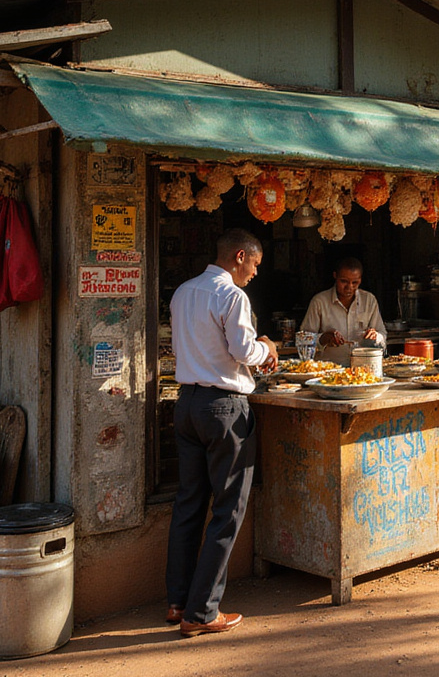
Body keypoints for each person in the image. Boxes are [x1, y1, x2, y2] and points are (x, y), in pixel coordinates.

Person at [166, 229, 278, 637]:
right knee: (227, 510)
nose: (253, 274)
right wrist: (268, 347)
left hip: (188, 404)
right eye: (254, 265)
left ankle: (178, 602)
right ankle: (203, 612)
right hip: (224, 410)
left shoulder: (183, 292)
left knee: (189, 503)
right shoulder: (232, 296)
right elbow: (244, 352)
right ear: (240, 255)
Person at [300, 257, 388, 366]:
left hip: (363, 370)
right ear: (335, 276)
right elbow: (304, 340)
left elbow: (383, 335)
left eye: (355, 282)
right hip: (328, 371)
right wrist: (323, 339)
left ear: (360, 280)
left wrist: (376, 336)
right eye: (344, 281)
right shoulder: (319, 302)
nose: (349, 287)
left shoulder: (369, 300)